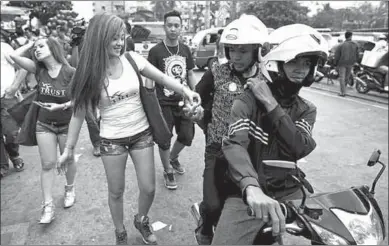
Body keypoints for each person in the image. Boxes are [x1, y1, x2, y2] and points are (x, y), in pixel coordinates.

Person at [57, 13, 200, 245]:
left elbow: (163, 78)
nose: (119, 43)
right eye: (113, 38)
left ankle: (141, 219)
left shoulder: (132, 59)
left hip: (141, 134)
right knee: (116, 192)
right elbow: (79, 112)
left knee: (149, 188)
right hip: (111, 140)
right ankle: (120, 231)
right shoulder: (91, 72)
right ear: (99, 39)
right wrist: (68, 150)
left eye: (121, 37)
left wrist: (186, 91)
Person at [211, 24, 328, 245]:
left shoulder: (306, 109)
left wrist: (271, 103)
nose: (301, 69)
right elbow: (235, 144)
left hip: (289, 188)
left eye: (307, 63)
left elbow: (299, 147)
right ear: (276, 62)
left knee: (325, 236)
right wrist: (251, 187)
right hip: (246, 192)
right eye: (294, 61)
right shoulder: (246, 100)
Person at [190, 14, 269, 245]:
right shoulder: (217, 71)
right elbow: (197, 98)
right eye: (231, 50)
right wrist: (196, 112)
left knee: (245, 206)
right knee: (213, 204)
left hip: (250, 153)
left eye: (243, 51)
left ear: (257, 51)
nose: (235, 56)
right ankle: (204, 228)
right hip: (217, 148)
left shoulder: (267, 78)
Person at [10, 37, 76, 224]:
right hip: (44, 124)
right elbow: (13, 55)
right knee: (48, 164)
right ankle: (48, 205)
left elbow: (82, 98)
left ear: (53, 49)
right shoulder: (38, 70)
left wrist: (62, 106)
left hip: (66, 124)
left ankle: (70, 188)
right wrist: (30, 44)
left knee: (68, 159)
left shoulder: (70, 72)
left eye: (41, 46)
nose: (36, 50)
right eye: (35, 48)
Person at [146, 10, 197, 190]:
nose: (173, 29)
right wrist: (150, 101)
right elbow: (149, 78)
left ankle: (173, 158)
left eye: (177, 25)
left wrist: (194, 94)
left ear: (181, 27)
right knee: (164, 138)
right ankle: (168, 170)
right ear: (164, 27)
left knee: (187, 135)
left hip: (183, 102)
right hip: (163, 102)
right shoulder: (155, 52)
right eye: (170, 25)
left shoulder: (185, 50)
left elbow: (190, 73)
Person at [1, 33, 27, 178]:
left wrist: (14, 87)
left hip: (7, 98)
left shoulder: (4, 48)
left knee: (11, 133)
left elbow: (23, 67)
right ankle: (2, 165)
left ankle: (14, 155)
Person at [334, 31, 359, 97]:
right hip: (351, 63)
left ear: (345, 36)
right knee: (346, 78)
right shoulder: (355, 44)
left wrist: (335, 63)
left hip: (342, 63)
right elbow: (357, 55)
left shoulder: (341, 45)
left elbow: (337, 55)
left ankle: (343, 92)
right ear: (351, 36)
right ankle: (343, 91)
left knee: (342, 77)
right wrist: (355, 61)